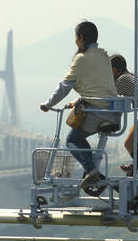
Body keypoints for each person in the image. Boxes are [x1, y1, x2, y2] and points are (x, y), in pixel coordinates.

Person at [40, 21, 119, 192]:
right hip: (114, 111)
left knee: (72, 140)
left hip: (98, 112)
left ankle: (91, 171)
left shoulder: (81, 58)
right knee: (79, 137)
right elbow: (96, 85)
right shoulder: (103, 55)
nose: (75, 41)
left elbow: (64, 86)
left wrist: (48, 104)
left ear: (81, 38)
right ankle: (92, 171)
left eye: (76, 38)